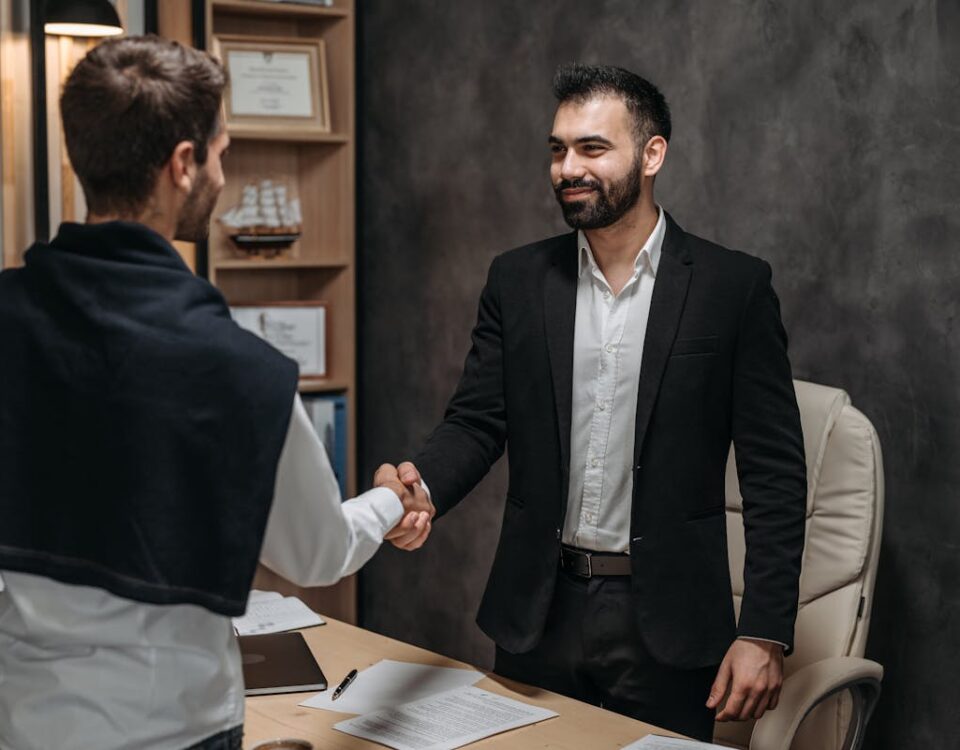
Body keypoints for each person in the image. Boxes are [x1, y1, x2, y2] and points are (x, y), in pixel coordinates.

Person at [0, 36, 429, 750]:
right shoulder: (239, 368)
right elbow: (316, 554)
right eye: (222, 153)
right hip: (173, 732)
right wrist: (391, 498)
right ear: (182, 165)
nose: (223, 175)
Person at [377, 63, 807, 741]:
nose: (567, 167)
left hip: (669, 620)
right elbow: (477, 420)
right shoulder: (517, 280)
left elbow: (775, 474)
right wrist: (420, 487)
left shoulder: (734, 289)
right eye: (558, 149)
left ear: (652, 153)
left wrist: (765, 631)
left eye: (592, 148)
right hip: (536, 613)